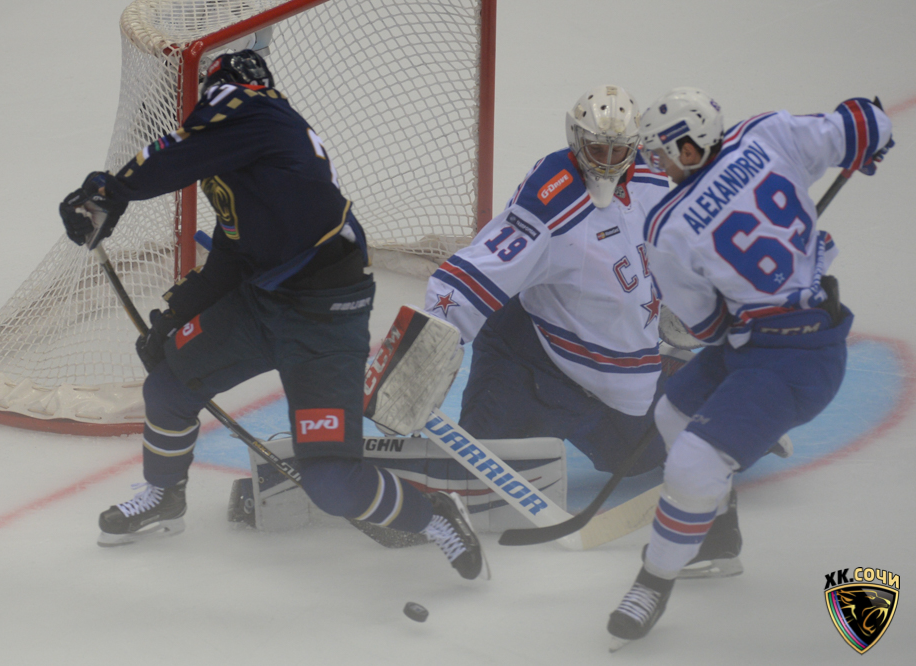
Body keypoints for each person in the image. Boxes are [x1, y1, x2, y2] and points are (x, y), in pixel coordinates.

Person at [58, 49, 485, 580]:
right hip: (262, 304)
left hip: (324, 319)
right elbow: (233, 254)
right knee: (167, 388)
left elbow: (175, 152)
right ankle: (164, 497)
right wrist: (177, 315)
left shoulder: (255, 110)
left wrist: (109, 191)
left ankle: (435, 515)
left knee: (332, 484)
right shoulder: (249, 161)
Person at [607, 87, 893, 648]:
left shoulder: (668, 226)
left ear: (689, 148)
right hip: (790, 337)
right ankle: (716, 540)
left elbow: (705, 325)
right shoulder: (767, 134)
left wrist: (741, 306)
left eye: (661, 153)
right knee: (673, 414)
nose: (655, 164)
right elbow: (864, 123)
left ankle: (653, 581)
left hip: (794, 361)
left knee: (693, 461)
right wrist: (870, 138)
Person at [425, 84, 676, 485]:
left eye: (618, 152)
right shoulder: (554, 195)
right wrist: (424, 354)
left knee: (641, 459)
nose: (607, 163)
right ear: (576, 139)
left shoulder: (654, 174)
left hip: (618, 377)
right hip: (534, 363)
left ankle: (690, 379)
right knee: (475, 479)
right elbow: (481, 268)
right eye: (597, 149)